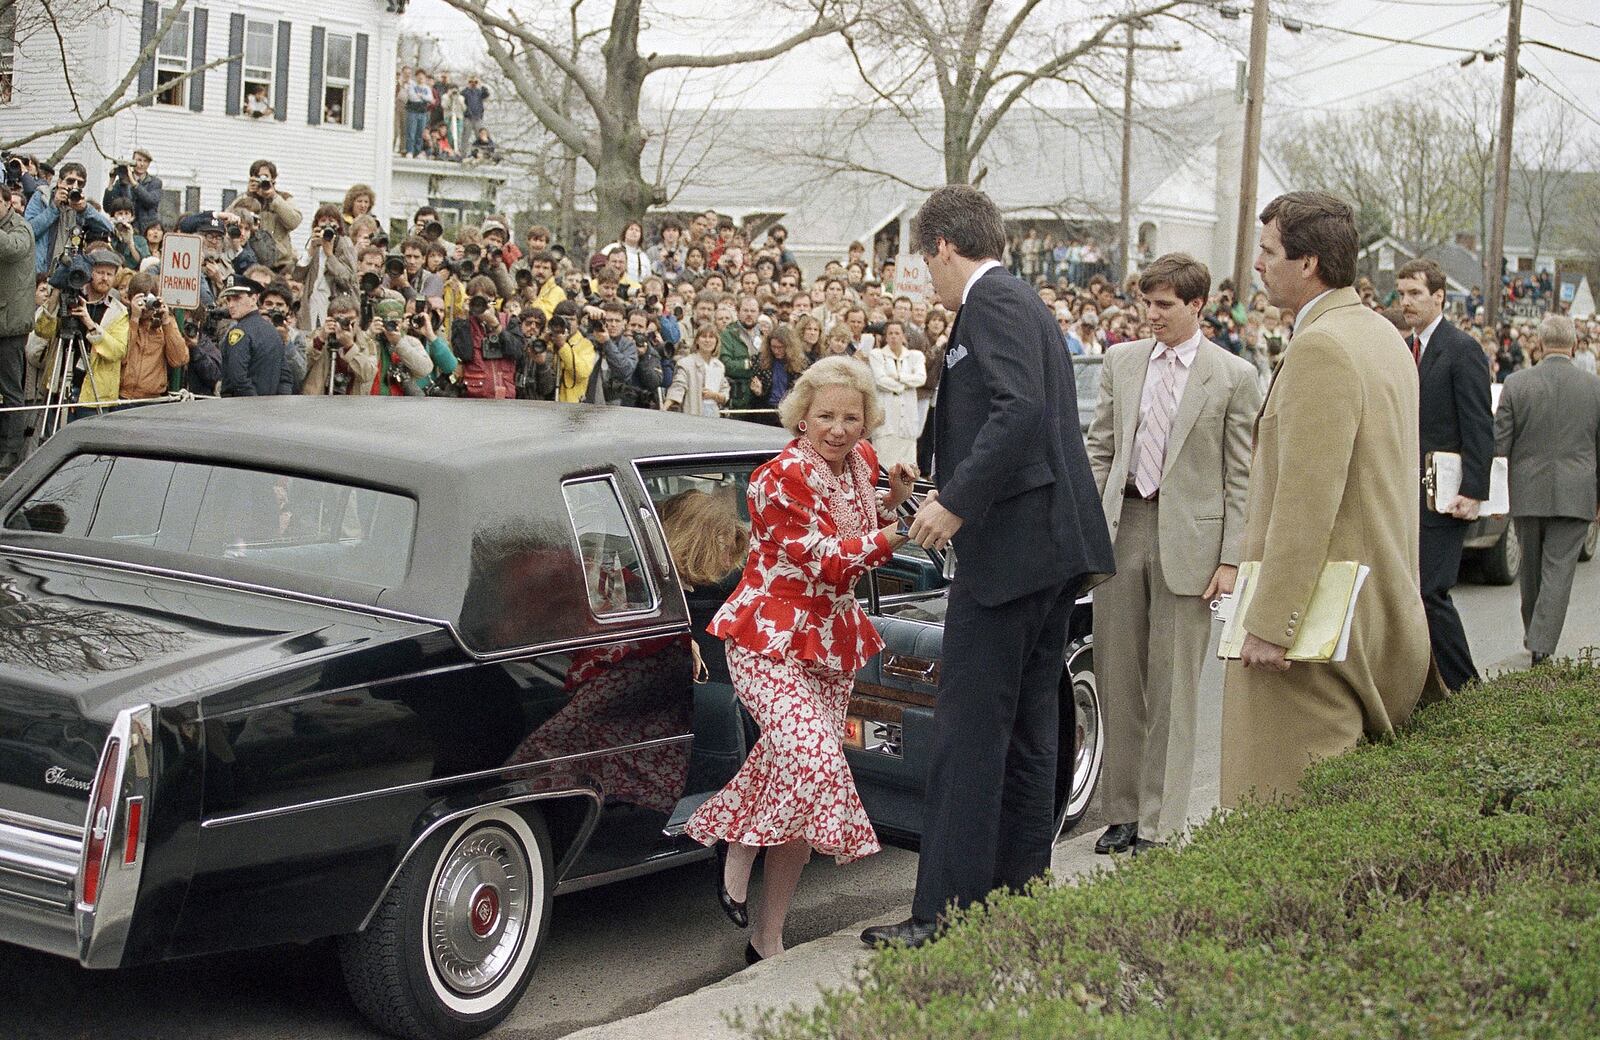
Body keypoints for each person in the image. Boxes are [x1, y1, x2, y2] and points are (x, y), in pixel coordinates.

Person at [865, 185, 1114, 949]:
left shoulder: (994, 301)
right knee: (1031, 732)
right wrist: (936, 485)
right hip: (1042, 550)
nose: (926, 278)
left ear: (944, 245)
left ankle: (943, 914)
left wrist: (957, 504)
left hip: (1012, 556)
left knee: (971, 734)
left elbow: (1020, 411)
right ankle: (1014, 897)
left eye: (924, 260)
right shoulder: (1019, 302)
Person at [686, 356, 918, 963]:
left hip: (832, 642)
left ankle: (768, 938)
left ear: (867, 419)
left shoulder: (861, 463)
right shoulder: (778, 478)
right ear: (801, 417)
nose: (838, 429)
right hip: (767, 635)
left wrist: (892, 501)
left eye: (851, 416)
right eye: (825, 417)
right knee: (812, 758)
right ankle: (734, 844)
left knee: (793, 776)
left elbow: (866, 525)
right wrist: (903, 532)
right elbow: (833, 561)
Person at [1220, 192, 1439, 808]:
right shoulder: (1382, 335)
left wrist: (1269, 623)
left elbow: (1305, 501)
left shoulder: (1323, 347)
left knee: (1272, 821)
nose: (1257, 265)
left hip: (1318, 639)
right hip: (1377, 613)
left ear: (1309, 262)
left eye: (1268, 251)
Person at [1084, 253, 1260, 855]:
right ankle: (1124, 811)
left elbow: (1242, 475)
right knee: (1117, 678)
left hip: (1193, 539)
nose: (1150, 315)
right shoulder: (1121, 362)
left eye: (1163, 305)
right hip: (1123, 525)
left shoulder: (1233, 375)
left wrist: (1232, 559)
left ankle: (1161, 823)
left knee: (1174, 688)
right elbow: (1099, 449)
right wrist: (1086, 527)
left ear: (1196, 306)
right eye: (1146, 303)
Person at [1396, 258, 1493, 692]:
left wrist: (1474, 491)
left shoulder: (1461, 349)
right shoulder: (1406, 349)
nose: (1406, 302)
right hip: (1406, 493)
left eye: (1415, 294)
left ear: (1440, 296)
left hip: (1445, 496)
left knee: (1432, 593)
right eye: (1401, 294)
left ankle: (1467, 689)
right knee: (1413, 596)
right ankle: (1427, 690)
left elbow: (1478, 424)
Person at [1493, 315, 1600, 665]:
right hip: (1577, 490)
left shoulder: (1516, 383)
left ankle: (1536, 638)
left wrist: (1493, 495)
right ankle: (1540, 642)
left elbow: (1500, 445)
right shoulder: (1594, 386)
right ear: (1573, 345)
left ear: (1538, 344)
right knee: (1558, 572)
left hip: (1526, 489)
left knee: (1532, 568)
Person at [0, 189, 34, 476]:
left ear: (7, 202)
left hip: (9, 325)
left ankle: (11, 450)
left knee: (11, 389)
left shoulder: (20, 227)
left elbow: (12, 249)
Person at [217, 275, 295, 396]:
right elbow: (285, 378)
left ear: (254, 299)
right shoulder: (272, 330)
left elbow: (238, 379)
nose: (231, 305)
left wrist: (256, 406)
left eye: (237, 298)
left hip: (240, 408)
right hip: (269, 408)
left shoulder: (239, 333)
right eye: (228, 299)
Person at [867, 319, 926, 468]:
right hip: (886, 419)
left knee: (907, 466)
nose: (894, 336)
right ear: (885, 337)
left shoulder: (915, 356)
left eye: (897, 333)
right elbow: (880, 380)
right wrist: (904, 385)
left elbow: (921, 378)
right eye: (890, 333)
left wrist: (899, 377)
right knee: (883, 464)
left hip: (907, 420)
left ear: (903, 336)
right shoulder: (876, 354)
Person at [119, 273, 188, 401]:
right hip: (124, 396)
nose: (146, 305)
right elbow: (121, 356)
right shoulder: (122, 320)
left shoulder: (165, 323)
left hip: (153, 399)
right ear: (130, 298)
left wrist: (166, 322)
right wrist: (134, 318)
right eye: (142, 298)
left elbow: (179, 359)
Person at [101, 149, 162, 233]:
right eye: (138, 160)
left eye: (145, 161)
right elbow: (108, 207)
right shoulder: (122, 182)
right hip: (126, 229)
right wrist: (111, 180)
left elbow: (150, 201)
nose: (141, 164)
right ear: (132, 162)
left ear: (149, 164)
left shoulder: (155, 182)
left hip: (146, 231)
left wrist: (133, 182)